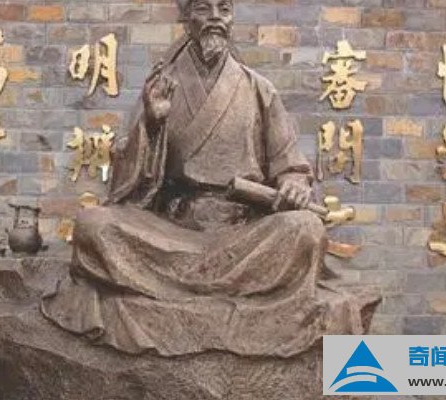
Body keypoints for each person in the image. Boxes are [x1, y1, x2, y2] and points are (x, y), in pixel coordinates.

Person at [42, 0, 376, 357]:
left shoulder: (258, 89)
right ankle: (215, 295)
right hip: (172, 230)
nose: (215, 17)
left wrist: (293, 184)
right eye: (204, 8)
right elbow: (127, 183)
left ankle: (181, 293)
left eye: (224, 9)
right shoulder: (163, 86)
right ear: (187, 18)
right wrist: (152, 124)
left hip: (241, 231)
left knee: (306, 229)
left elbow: (291, 166)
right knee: (92, 225)